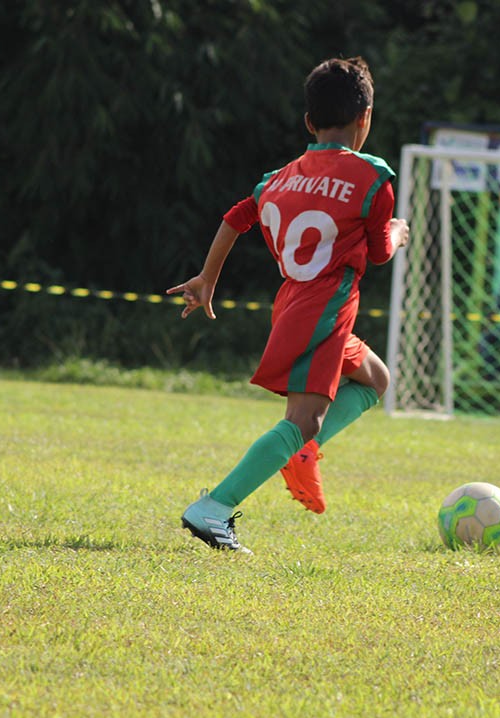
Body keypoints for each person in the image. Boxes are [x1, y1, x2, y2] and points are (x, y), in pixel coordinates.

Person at [167, 56, 409, 553]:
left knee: (375, 379)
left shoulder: (276, 178)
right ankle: (214, 507)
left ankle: (303, 452)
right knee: (302, 421)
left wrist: (207, 277)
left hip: (296, 303)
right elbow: (381, 252)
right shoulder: (372, 177)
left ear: (308, 122)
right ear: (365, 118)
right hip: (324, 307)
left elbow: (236, 218)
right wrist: (398, 232)